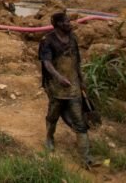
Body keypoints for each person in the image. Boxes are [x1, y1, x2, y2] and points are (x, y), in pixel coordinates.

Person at [39, 12, 97, 168]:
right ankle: (49, 138)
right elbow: (47, 63)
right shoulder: (48, 41)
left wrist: (82, 81)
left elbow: (77, 61)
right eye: (66, 22)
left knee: (80, 121)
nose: (69, 23)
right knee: (53, 115)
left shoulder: (73, 39)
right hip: (56, 87)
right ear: (58, 24)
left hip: (74, 87)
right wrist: (59, 78)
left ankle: (86, 158)